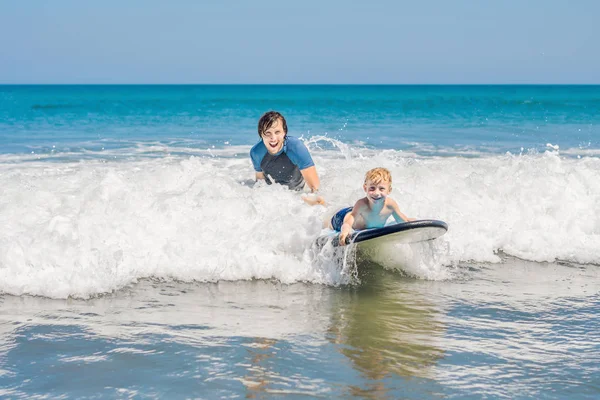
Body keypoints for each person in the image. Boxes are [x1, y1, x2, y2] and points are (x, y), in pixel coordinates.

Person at [332, 167, 414, 246]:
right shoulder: (361, 204)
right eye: (372, 188)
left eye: (381, 189)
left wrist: (414, 224)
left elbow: (402, 220)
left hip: (355, 214)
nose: (376, 193)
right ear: (365, 188)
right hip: (341, 218)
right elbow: (349, 219)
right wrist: (346, 229)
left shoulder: (390, 205)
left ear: (389, 190)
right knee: (328, 224)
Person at [250, 111, 320, 194]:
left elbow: (315, 189)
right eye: (267, 133)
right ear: (261, 134)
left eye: (277, 132)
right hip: (272, 195)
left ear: (284, 132)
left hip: (298, 192)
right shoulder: (256, 152)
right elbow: (259, 185)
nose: (273, 138)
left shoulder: (296, 148)